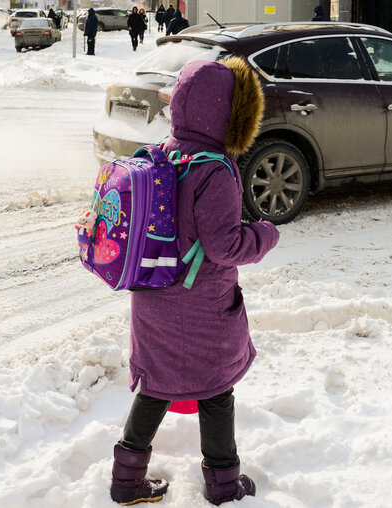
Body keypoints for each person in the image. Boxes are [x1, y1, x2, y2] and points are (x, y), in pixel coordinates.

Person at [109, 57, 278, 506]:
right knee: (217, 389)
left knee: (157, 386)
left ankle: (126, 479)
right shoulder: (216, 170)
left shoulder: (167, 151)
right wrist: (264, 235)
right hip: (201, 303)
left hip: (153, 294)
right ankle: (224, 484)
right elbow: (224, 246)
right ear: (232, 115)